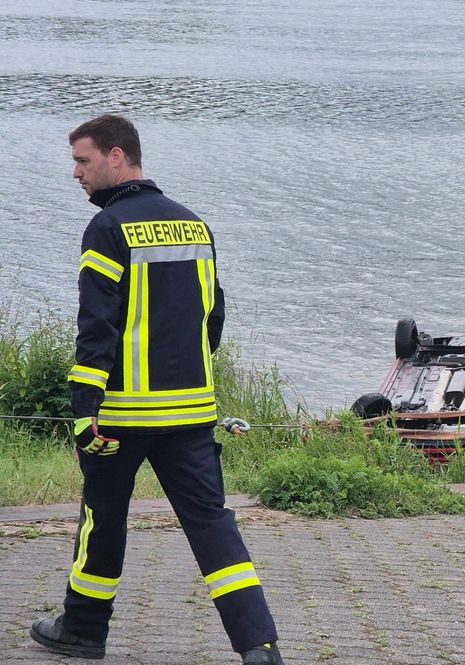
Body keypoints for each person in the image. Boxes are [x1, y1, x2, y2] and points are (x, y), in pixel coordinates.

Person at [30, 115, 285, 665]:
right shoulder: (194, 225)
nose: (75, 173)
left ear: (116, 156)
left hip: (121, 416)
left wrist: (84, 412)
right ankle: (259, 646)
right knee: (214, 526)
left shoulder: (108, 228)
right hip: (191, 412)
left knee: (103, 519)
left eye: (83, 160)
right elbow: (212, 318)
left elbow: (95, 327)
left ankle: (82, 631)